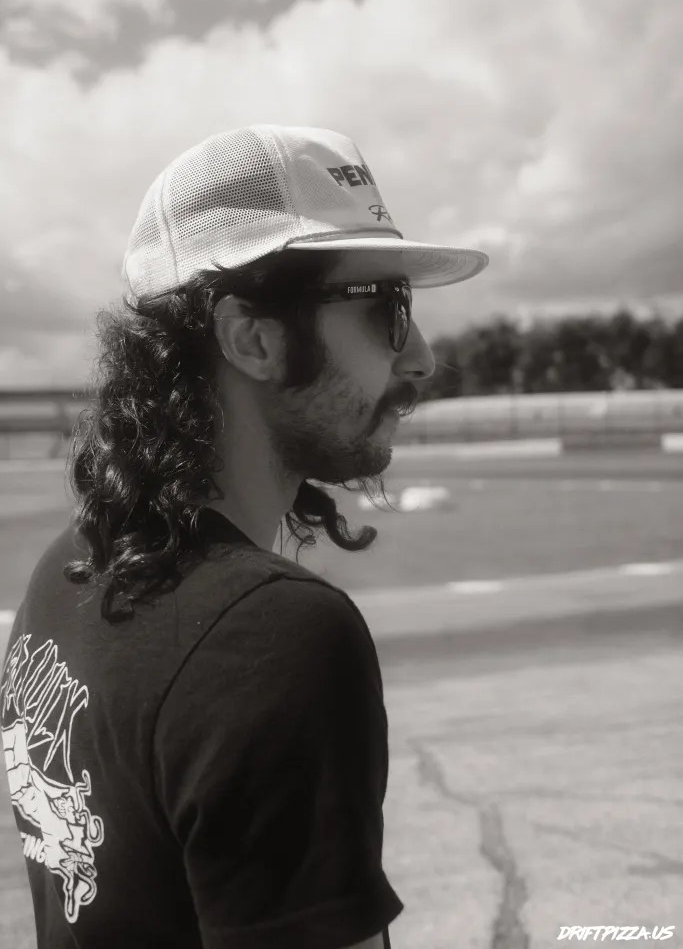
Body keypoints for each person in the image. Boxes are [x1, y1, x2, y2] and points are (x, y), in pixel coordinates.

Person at [0, 124, 488, 948]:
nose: (420, 358)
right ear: (252, 338)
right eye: (386, 309)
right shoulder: (271, 640)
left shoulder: (70, 570)